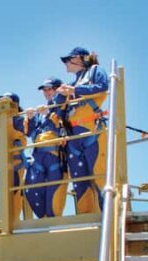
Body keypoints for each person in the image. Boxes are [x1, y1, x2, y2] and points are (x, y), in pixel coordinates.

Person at [56, 47, 109, 214]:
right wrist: (60, 94)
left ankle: (108, 215)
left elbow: (102, 86)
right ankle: (87, 216)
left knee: (99, 175)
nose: (65, 63)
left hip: (91, 129)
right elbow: (58, 109)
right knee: (79, 180)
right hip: (74, 135)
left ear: (78, 59)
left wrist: (74, 91)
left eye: (67, 59)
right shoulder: (73, 83)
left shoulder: (94, 70)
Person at [24, 78, 67, 218]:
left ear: (57, 89)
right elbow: (30, 133)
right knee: (31, 187)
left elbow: (65, 124)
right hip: (38, 154)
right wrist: (30, 118)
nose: (47, 92)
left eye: (50, 89)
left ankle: (52, 218)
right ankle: (43, 218)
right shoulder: (40, 111)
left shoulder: (63, 105)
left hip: (54, 154)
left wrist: (48, 114)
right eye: (45, 90)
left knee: (54, 189)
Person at [0, 93, 28, 219]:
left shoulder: (20, 120)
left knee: (14, 193)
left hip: (15, 163)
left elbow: (21, 138)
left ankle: (13, 221)